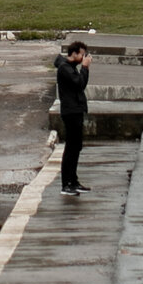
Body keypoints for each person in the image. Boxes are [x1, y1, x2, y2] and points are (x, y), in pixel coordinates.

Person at [54, 40, 91, 195]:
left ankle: (73, 181)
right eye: (82, 55)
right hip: (70, 112)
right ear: (74, 53)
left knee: (76, 147)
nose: (84, 58)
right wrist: (85, 68)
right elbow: (79, 84)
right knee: (71, 148)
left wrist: (83, 68)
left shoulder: (70, 68)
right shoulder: (65, 69)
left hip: (76, 111)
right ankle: (66, 184)